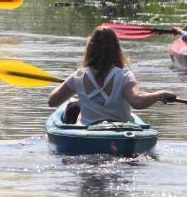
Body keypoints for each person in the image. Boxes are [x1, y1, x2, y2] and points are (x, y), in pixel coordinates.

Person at [47, 25, 176, 125]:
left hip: (88, 134)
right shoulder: (124, 75)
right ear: (116, 48)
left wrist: (71, 86)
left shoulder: (78, 76)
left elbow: (52, 101)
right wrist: (161, 94)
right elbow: (137, 101)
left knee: (73, 106)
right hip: (120, 132)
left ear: (90, 48)